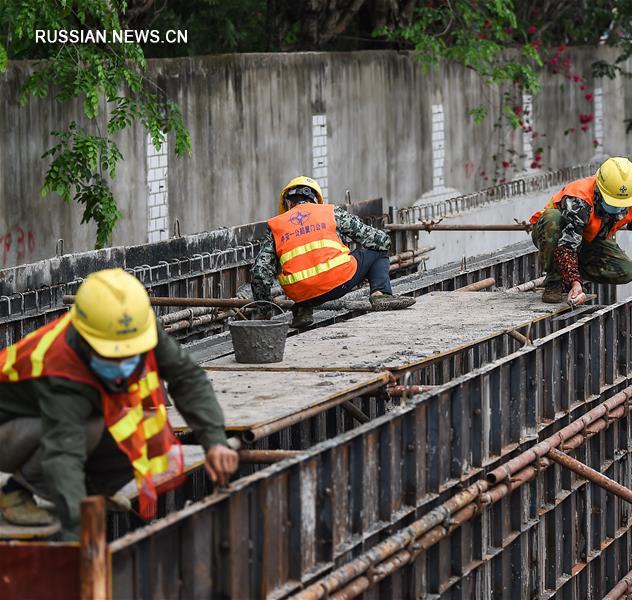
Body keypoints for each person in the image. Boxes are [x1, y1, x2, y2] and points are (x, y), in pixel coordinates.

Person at [0, 269, 238, 540]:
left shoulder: (140, 329)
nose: (123, 365)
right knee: (89, 428)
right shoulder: (60, 366)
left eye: (130, 354)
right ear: (88, 342)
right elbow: (63, 455)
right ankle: (15, 492)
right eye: (112, 356)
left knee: (140, 432)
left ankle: (91, 491)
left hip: (41, 420)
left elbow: (186, 376)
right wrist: (80, 536)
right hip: (10, 428)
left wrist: (215, 440)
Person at [251, 176, 414, 328]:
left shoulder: (276, 226)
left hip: (300, 294)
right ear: (315, 199)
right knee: (378, 252)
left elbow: (260, 273)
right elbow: (379, 240)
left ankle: (302, 310)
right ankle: (380, 294)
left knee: (300, 273)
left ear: (287, 202)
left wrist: (265, 311)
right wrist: (366, 270)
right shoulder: (329, 212)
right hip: (339, 282)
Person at [529, 156, 632, 305]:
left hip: (589, 239)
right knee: (553, 218)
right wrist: (575, 283)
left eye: (621, 203)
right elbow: (567, 245)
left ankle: (568, 272)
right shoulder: (579, 199)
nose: (617, 208)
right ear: (599, 189)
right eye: (613, 202)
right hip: (553, 236)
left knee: (625, 270)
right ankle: (554, 281)